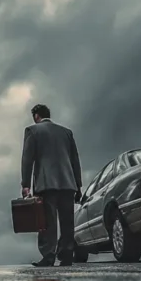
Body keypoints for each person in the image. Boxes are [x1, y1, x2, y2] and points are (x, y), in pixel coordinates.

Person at [20, 104, 83, 267]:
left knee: (47, 221)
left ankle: (48, 255)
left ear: (36, 116)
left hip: (46, 183)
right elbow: (75, 160)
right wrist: (78, 184)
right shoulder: (66, 132)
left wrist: (25, 184)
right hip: (68, 183)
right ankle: (67, 254)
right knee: (67, 221)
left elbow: (27, 160)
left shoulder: (32, 131)